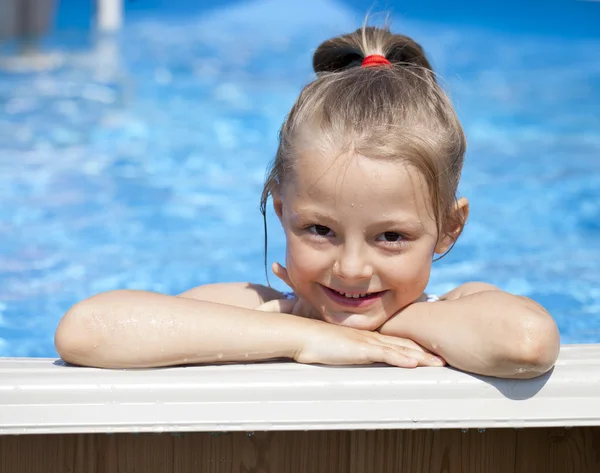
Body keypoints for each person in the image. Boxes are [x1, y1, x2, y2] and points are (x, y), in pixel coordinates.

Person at [54, 25, 560, 379]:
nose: (352, 268)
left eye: (391, 237)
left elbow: (526, 343)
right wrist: (304, 336)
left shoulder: (457, 309)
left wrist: (391, 323)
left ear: (449, 229)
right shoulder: (260, 308)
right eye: (319, 230)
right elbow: (87, 330)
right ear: (281, 211)